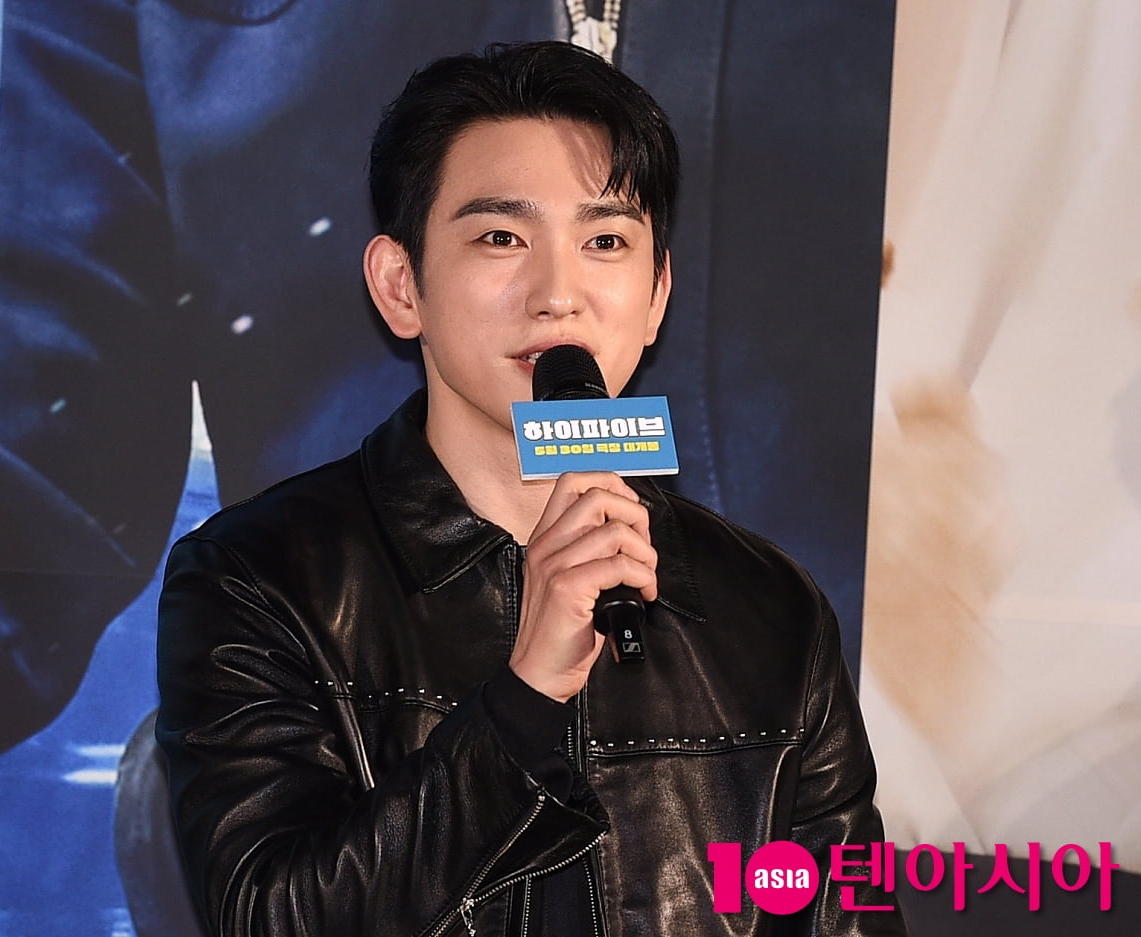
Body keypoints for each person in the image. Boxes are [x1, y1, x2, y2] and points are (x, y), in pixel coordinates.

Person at [156, 41, 905, 936]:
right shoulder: (257, 579)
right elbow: (269, 916)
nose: (558, 294)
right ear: (401, 286)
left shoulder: (772, 607)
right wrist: (521, 702)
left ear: (658, 294)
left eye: (605, 241)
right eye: (502, 238)